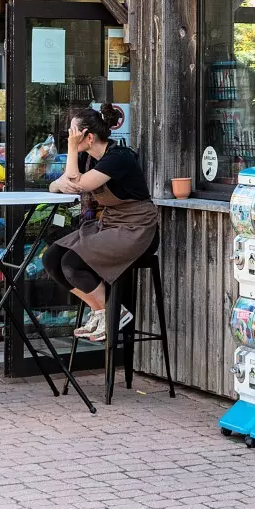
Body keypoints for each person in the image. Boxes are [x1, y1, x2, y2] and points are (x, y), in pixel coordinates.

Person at [43, 104, 156, 343]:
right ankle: (101, 311)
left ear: (89, 137)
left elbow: (79, 184)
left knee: (72, 263)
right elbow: (56, 185)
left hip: (136, 228)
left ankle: (114, 312)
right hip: (110, 223)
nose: (69, 138)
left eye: (73, 134)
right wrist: (60, 183)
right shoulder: (87, 158)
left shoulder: (118, 157)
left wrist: (71, 152)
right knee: (52, 259)